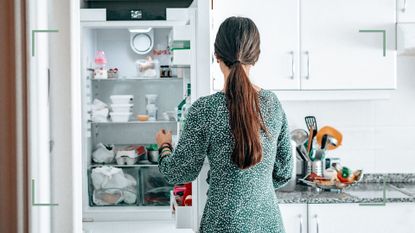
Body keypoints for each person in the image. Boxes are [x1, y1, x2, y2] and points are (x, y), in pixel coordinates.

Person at [155, 16, 293, 233]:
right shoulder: (272, 104)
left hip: (223, 223)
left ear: (216, 55)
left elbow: (178, 172)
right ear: (256, 57)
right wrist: (251, 190)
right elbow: (284, 171)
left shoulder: (205, 109)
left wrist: (163, 145)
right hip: (268, 222)